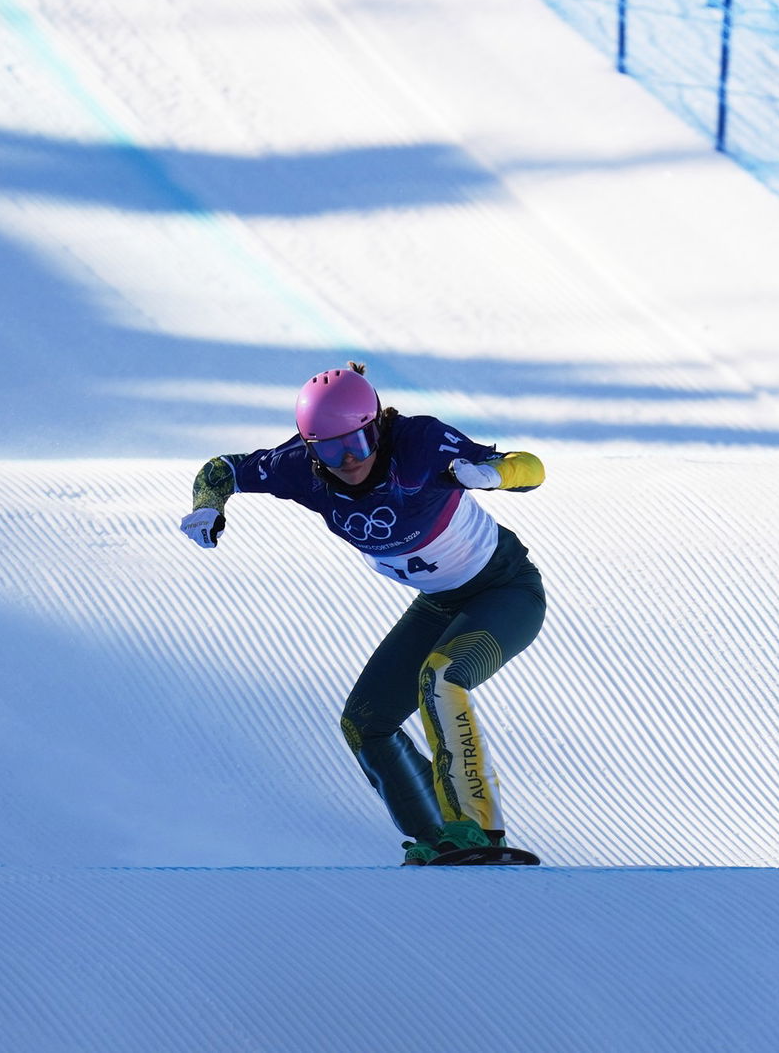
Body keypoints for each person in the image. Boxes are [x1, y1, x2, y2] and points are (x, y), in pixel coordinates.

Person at [179, 363, 547, 865]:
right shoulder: (297, 468)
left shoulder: (420, 442)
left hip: (505, 589)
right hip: (440, 602)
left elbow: (532, 468)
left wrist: (496, 474)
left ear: (378, 425)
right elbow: (222, 468)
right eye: (329, 449)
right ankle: (438, 839)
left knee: (441, 678)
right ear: (310, 449)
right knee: (365, 722)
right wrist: (208, 504)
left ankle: (479, 832)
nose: (348, 459)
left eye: (358, 441)